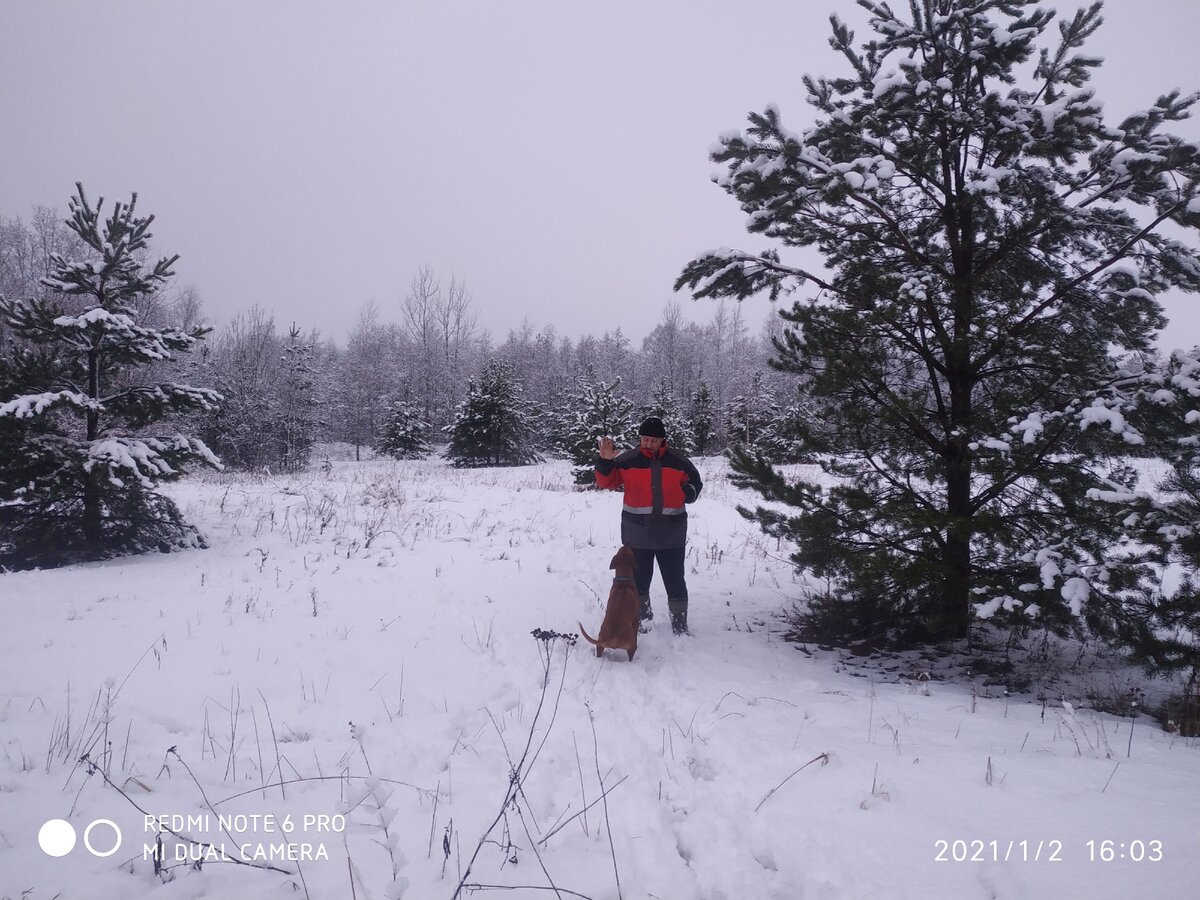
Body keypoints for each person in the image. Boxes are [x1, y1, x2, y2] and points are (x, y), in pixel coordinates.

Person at [596, 416, 702, 635]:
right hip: (637, 533)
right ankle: (643, 620)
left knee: (675, 581)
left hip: (671, 532)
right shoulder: (627, 461)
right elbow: (607, 482)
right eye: (644, 439)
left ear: (663, 440)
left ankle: (679, 625)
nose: (648, 444)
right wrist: (605, 461)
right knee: (639, 582)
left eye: (653, 440)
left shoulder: (678, 462)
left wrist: (689, 492)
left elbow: (695, 481)